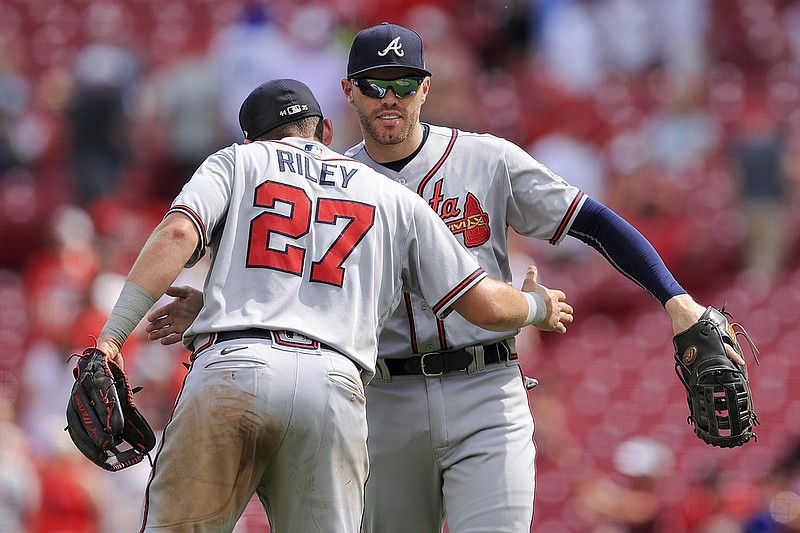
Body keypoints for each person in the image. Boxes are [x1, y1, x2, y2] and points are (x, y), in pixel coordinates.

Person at [148, 24, 742, 533]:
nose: (391, 98)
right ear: (348, 92)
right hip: (379, 399)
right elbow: (283, 281)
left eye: (404, 84)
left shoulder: (487, 159)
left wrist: (677, 301)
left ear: (425, 89)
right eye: (375, 85)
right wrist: (210, 306)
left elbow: (594, 222)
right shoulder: (327, 180)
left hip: (485, 387)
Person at [91, 78, 573, 533]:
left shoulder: (238, 162)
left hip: (231, 368)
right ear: (325, 131)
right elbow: (483, 304)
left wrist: (111, 339)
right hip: (334, 386)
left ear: (253, 139)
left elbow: (178, 232)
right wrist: (536, 306)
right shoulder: (388, 193)